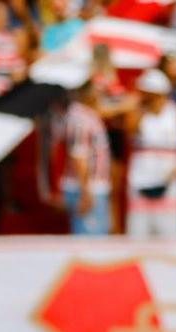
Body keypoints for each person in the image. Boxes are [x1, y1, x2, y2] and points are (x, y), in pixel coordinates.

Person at [126, 68, 176, 239]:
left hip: (169, 182)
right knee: (139, 232)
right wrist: (140, 107)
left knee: (170, 233)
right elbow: (130, 129)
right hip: (141, 181)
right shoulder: (138, 113)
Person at [62, 82, 112, 236]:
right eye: (97, 90)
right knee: (91, 245)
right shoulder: (80, 119)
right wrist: (85, 193)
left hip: (91, 187)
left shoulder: (85, 114)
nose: (100, 94)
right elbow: (79, 156)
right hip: (88, 189)